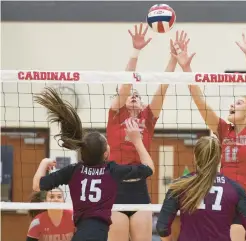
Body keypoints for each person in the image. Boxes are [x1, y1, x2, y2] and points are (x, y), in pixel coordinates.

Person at [172, 31, 246, 240]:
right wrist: (186, 68)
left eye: (238, 103)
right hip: (223, 199)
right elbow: (200, 103)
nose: (231, 105)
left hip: (245, 201)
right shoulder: (224, 129)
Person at [32, 87, 155, 241]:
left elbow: (37, 186)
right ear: (106, 154)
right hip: (101, 232)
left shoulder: (73, 170)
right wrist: (137, 140)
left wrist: (44, 163)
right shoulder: (111, 171)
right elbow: (149, 168)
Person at [107, 24, 190, 241]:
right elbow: (125, 85)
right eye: (130, 95)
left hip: (139, 190)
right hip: (114, 188)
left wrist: (173, 59)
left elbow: (163, 87)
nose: (133, 96)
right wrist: (136, 51)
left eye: (138, 95)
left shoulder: (147, 118)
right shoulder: (116, 115)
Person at [156, 136, 246, 241]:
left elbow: (162, 228)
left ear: (195, 156)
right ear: (220, 158)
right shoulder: (235, 188)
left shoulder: (180, 186)